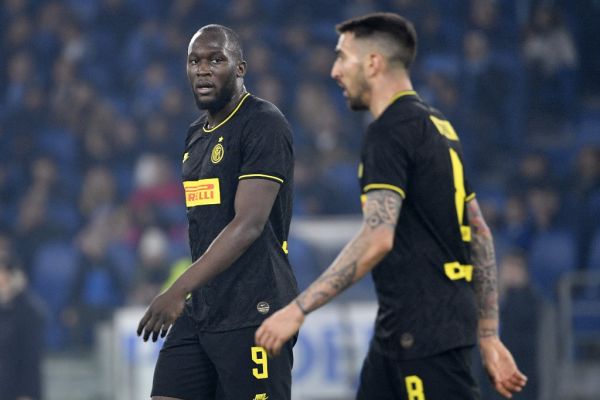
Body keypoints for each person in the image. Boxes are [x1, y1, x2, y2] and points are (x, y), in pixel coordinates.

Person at [256, 13, 527, 400]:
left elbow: (377, 238)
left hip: (425, 334)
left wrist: (298, 309)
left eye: (342, 58)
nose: (334, 71)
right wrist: (487, 334)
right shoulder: (439, 127)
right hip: (400, 334)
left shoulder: (388, 133)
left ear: (373, 63)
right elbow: (480, 233)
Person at [136, 24, 298, 400]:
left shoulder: (263, 123)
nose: (203, 69)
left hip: (256, 308)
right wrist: (190, 294)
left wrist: (177, 289)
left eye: (216, 59)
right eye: (194, 61)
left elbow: (248, 225)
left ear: (240, 68)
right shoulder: (196, 134)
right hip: (204, 309)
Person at [0, 249, 46, 400]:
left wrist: (27, 394)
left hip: (18, 391)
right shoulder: (4, 308)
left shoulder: (28, 310)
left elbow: (31, 359)